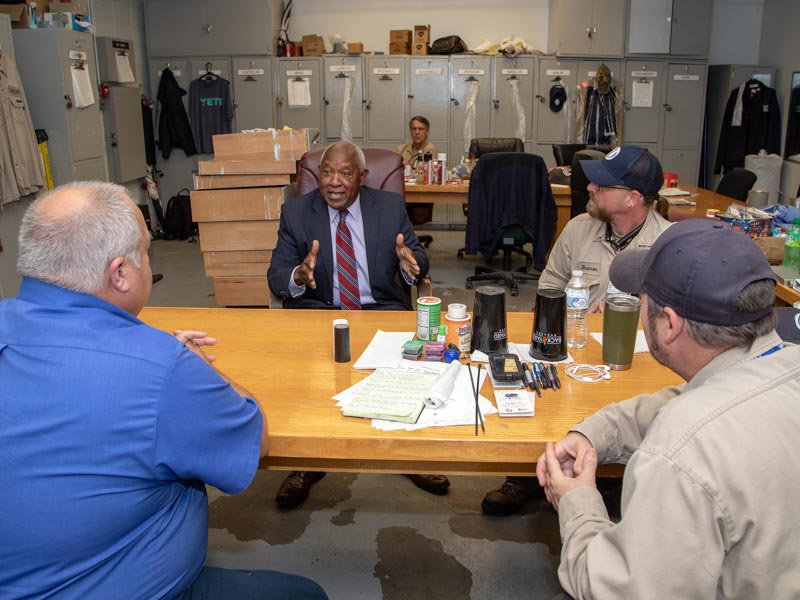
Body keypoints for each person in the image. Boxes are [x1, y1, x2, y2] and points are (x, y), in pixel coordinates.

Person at [0, 182, 327, 599]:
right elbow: (254, 436)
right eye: (145, 252)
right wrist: (193, 367)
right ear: (120, 273)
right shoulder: (161, 368)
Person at [538, 218, 800, 598]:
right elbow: (694, 401)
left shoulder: (678, 456)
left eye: (640, 298)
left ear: (669, 325)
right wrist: (593, 433)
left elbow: (612, 589)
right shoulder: (783, 361)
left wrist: (576, 500)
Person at [481, 145, 671, 516]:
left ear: (633, 198)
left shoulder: (668, 245)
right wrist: (570, 310)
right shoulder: (578, 229)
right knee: (535, 388)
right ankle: (527, 475)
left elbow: (674, 322)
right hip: (573, 349)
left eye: (603, 184)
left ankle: (611, 480)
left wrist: (628, 310)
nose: (591, 188)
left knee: (635, 412)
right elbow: (547, 290)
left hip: (632, 360)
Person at [267, 140, 450, 508]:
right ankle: (306, 461)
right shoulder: (296, 212)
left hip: (382, 308)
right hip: (321, 311)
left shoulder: (389, 206)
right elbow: (276, 276)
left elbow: (417, 259)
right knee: (307, 375)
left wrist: (408, 263)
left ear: (363, 177)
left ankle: (407, 452)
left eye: (345, 173)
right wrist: (299, 277)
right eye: (327, 172)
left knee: (409, 371)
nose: (334, 182)